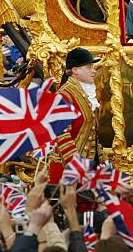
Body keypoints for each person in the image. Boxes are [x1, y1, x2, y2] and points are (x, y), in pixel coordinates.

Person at [51, 47, 103, 182]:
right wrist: (77, 165)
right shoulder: (64, 95)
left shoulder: (87, 92)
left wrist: (101, 158)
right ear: (75, 70)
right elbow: (62, 136)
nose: (94, 70)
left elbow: (92, 133)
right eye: (89, 67)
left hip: (89, 166)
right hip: (68, 170)